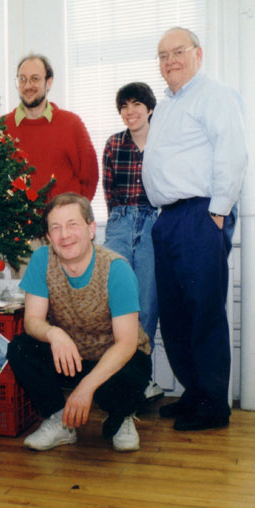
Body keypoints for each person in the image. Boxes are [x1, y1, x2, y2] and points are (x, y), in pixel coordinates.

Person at [142, 27, 248, 431]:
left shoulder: (214, 95)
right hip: (169, 219)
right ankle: (196, 391)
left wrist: (218, 211)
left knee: (203, 311)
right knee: (175, 314)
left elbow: (233, 152)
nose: (170, 61)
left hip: (200, 215)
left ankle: (213, 405)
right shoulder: (168, 106)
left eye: (178, 52)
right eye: (163, 55)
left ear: (198, 55)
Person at [7, 193, 151, 453]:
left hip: (115, 357)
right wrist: (54, 334)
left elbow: (126, 344)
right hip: (71, 355)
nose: (65, 235)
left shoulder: (116, 268)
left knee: (132, 371)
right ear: (48, 237)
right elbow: (32, 321)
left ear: (91, 229)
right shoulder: (42, 260)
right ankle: (59, 421)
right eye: (56, 228)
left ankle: (122, 417)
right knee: (20, 348)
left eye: (72, 225)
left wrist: (86, 388)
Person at [102, 82, 163, 402]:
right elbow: (109, 191)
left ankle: (141, 377)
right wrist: (120, 222)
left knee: (147, 303)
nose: (130, 111)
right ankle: (115, 375)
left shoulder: (164, 141)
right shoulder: (114, 144)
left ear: (150, 108)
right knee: (117, 300)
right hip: (121, 222)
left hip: (154, 222)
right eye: (124, 106)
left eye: (137, 104)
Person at [2, 54, 98, 200]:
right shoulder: (1, 127)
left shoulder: (72, 124)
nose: (27, 86)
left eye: (35, 79)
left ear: (49, 82)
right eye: (22, 79)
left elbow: (90, 177)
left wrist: (74, 211)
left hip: (63, 214)